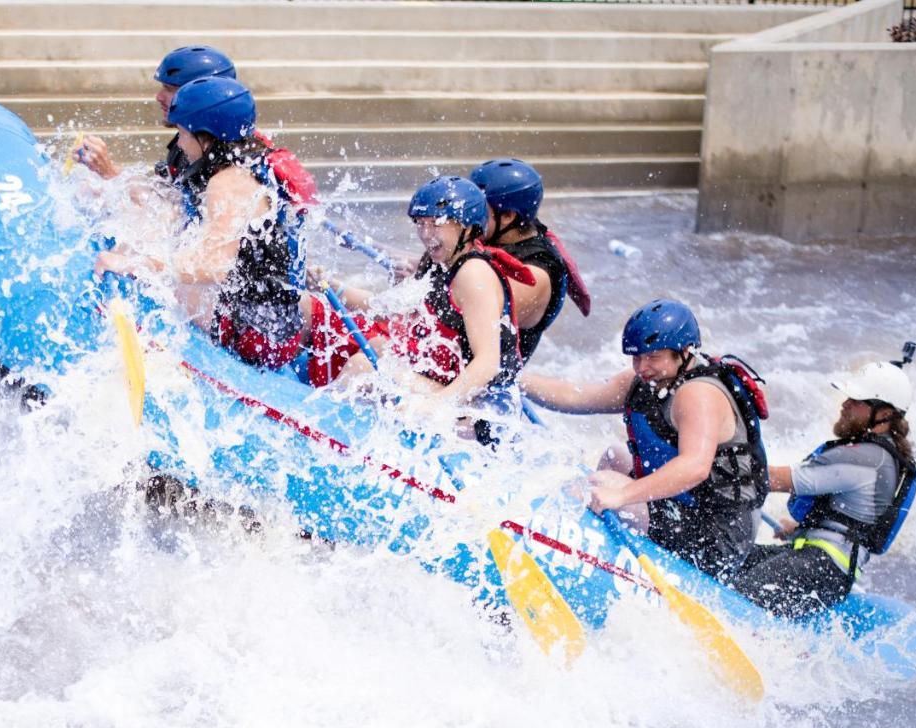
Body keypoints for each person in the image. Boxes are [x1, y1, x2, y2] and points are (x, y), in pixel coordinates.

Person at [521, 299, 769, 578]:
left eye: (653, 357)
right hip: (686, 506)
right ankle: (603, 544)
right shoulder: (644, 382)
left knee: (606, 483)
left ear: (685, 352)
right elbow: (576, 395)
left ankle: (589, 555)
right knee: (616, 456)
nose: (642, 367)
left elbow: (694, 467)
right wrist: (515, 377)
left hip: (719, 537)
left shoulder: (698, 395)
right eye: (637, 357)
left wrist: (621, 495)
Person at [96, 77, 306, 370]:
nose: (179, 143)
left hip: (257, 336)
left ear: (205, 137)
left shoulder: (227, 183)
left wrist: (138, 265)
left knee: (152, 272)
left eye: (182, 133)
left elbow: (215, 265)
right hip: (270, 323)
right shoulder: (241, 167)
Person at [316, 176, 536, 411]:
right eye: (420, 223)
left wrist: (434, 406)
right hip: (456, 388)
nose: (426, 233)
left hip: (484, 408)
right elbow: (383, 308)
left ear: (467, 226)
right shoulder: (437, 262)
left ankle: (322, 417)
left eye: (436, 223)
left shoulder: (473, 274)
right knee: (380, 346)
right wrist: (331, 285)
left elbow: (487, 363)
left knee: (363, 368)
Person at [727, 353, 916, 617]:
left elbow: (773, 479)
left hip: (821, 566)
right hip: (821, 561)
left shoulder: (867, 457)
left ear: (884, 413)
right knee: (724, 562)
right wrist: (800, 528)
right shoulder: (883, 457)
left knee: (732, 598)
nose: (845, 404)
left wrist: (710, 464)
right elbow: (853, 518)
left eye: (857, 401)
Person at [76, 45, 316, 209]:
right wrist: (105, 179)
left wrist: (109, 173)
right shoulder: (199, 146)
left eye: (169, 90)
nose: (158, 97)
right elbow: (167, 195)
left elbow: (172, 214)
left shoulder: (229, 169)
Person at [469, 158, 591, 363]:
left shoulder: (537, 274)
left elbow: (464, 304)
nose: (466, 215)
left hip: (488, 385)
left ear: (508, 216)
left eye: (477, 208)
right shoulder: (502, 231)